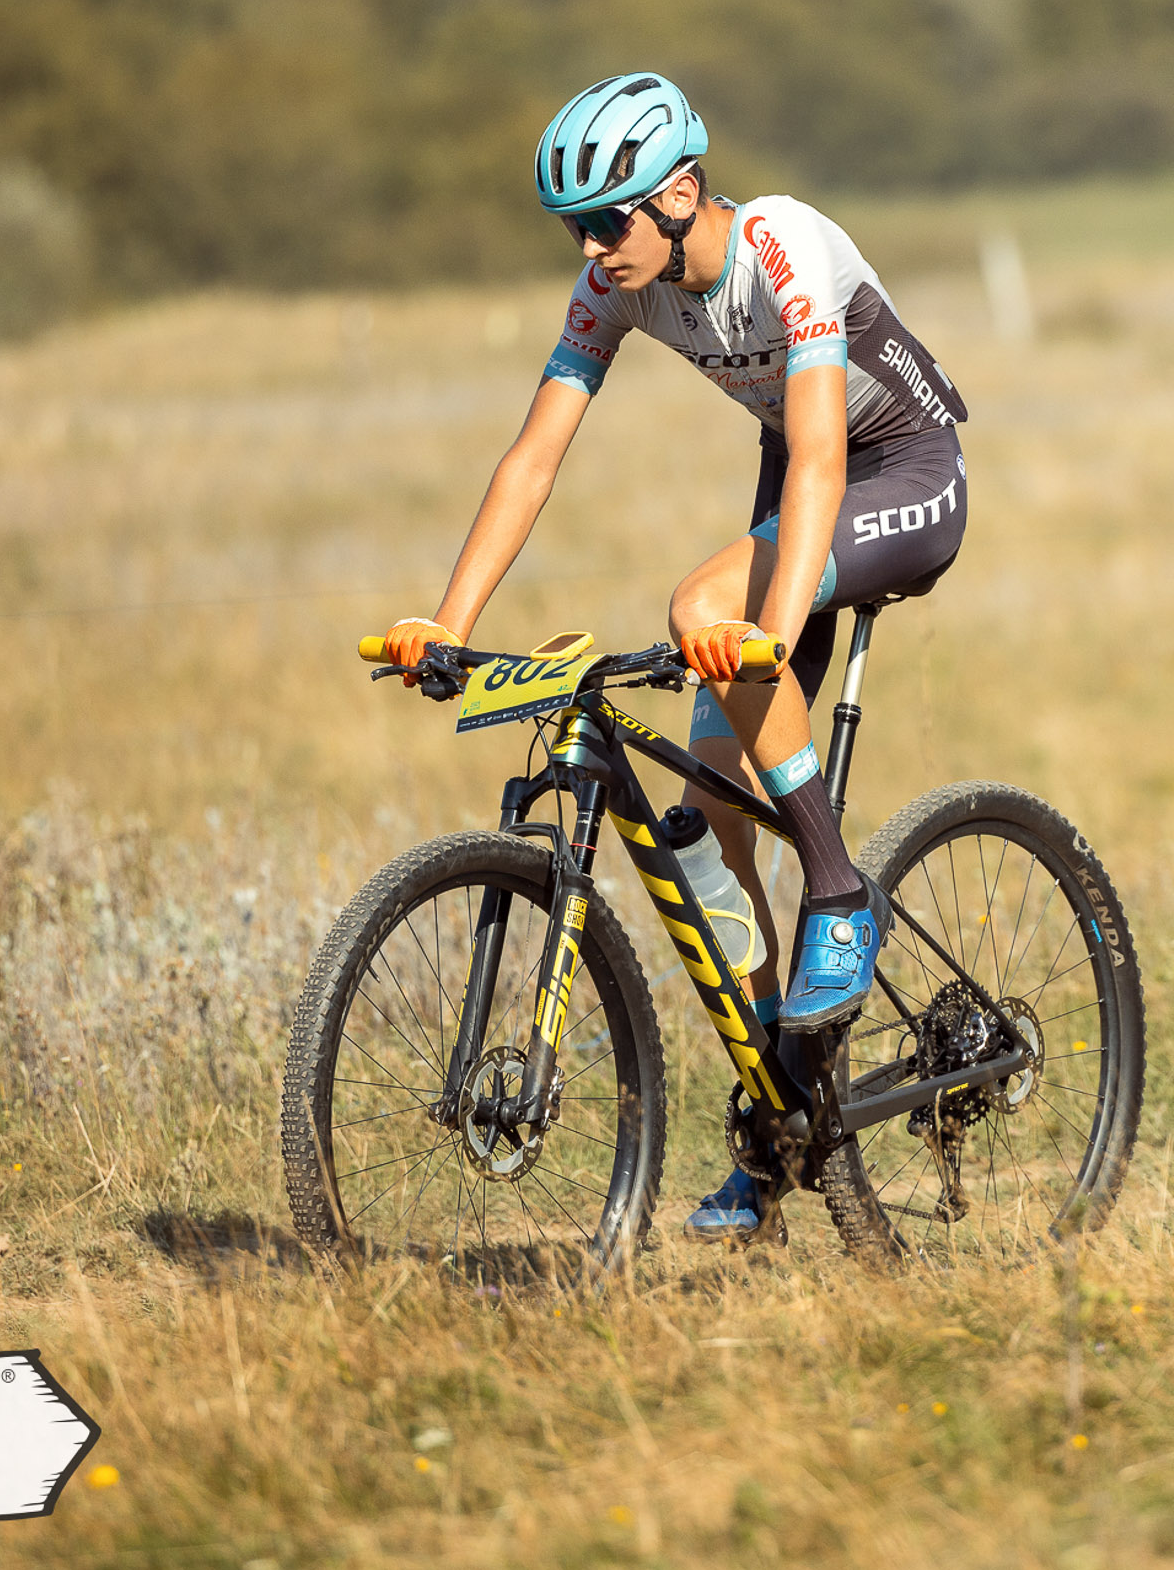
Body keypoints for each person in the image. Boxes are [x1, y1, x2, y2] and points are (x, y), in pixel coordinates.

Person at [382, 72, 969, 1241]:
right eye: (572, 228)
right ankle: (781, 1121)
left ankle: (838, 891)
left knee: (700, 601)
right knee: (706, 829)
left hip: (900, 470)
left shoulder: (782, 244)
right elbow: (533, 455)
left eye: (608, 221)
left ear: (681, 192)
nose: (592, 249)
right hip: (797, 485)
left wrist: (766, 626)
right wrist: (446, 619)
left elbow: (821, 458)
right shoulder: (614, 287)